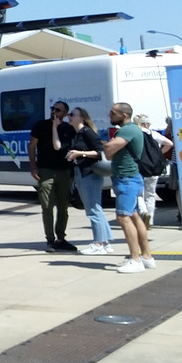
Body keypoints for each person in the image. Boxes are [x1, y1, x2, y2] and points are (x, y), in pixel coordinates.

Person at [101, 103, 155, 273]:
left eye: (113, 113)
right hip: (129, 178)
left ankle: (135, 259)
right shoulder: (128, 130)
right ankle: (146, 257)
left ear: (124, 115)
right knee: (134, 216)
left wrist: (106, 145)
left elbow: (109, 151)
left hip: (127, 179)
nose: (109, 115)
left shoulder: (128, 130)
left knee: (123, 217)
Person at [28, 100, 76, 252]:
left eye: (58, 110)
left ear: (65, 113)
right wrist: (33, 167)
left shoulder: (68, 128)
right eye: (53, 108)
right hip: (46, 169)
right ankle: (50, 239)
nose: (54, 112)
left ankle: (61, 238)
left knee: (63, 206)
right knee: (47, 205)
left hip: (64, 170)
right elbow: (32, 146)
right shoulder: (41, 125)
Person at [65, 107, 113, 255]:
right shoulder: (78, 133)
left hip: (89, 174)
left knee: (92, 209)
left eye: (72, 114)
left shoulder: (86, 132)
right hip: (83, 172)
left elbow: (99, 152)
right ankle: (105, 242)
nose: (69, 117)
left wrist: (80, 153)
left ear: (82, 117)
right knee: (96, 208)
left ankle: (98, 243)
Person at [134, 114, 173, 230]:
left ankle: (143, 212)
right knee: (150, 194)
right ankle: (150, 221)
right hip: (153, 168)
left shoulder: (135, 133)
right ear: (145, 124)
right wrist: (158, 154)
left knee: (138, 194)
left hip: (139, 168)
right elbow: (169, 144)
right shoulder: (153, 134)